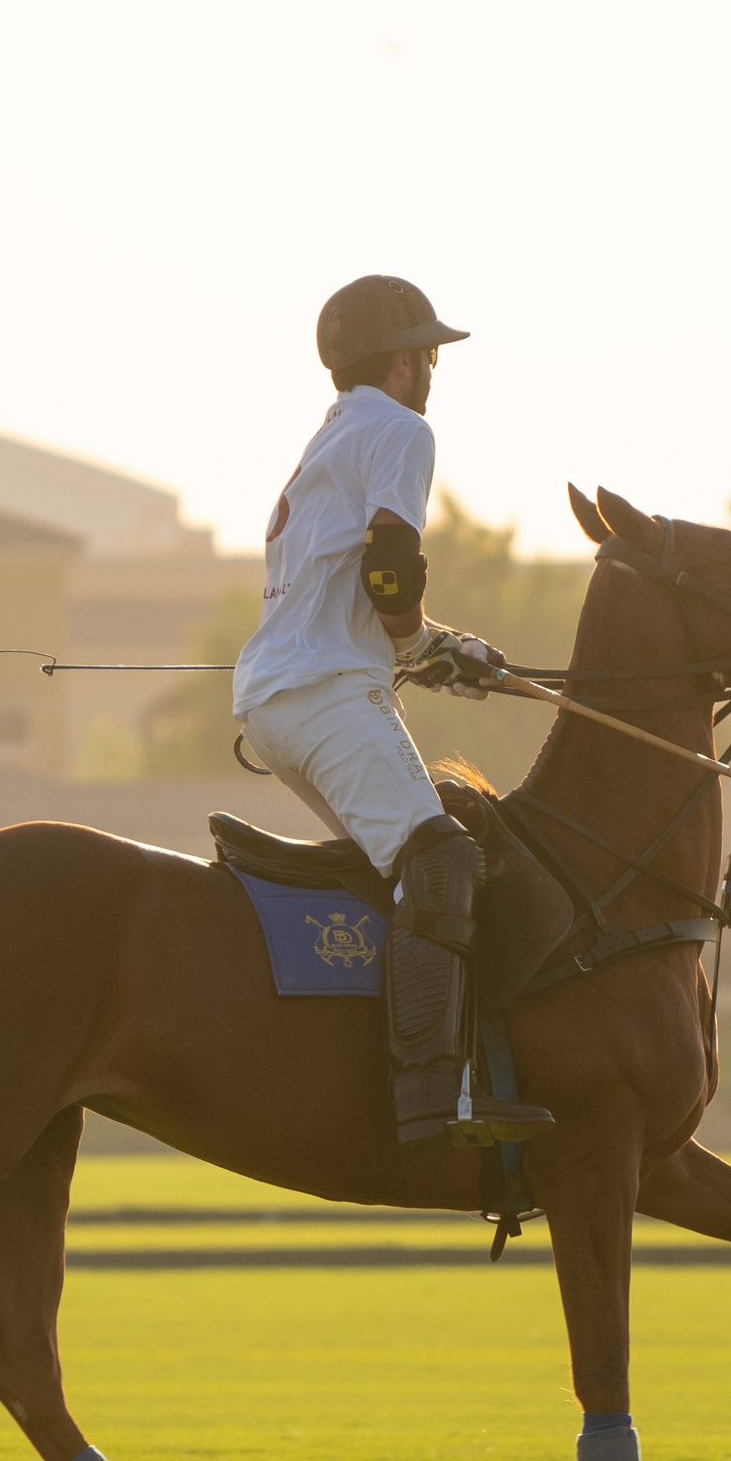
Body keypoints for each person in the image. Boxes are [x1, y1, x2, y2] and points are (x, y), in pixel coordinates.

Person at [232, 275, 554, 1152]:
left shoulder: (330, 437)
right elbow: (389, 568)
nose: (433, 372)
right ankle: (433, 1095)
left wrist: (439, 643)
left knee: (400, 872)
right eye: (430, 356)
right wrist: (415, 641)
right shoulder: (404, 430)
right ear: (406, 361)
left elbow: (357, 588)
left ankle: (367, 1050)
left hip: (276, 699)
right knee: (439, 858)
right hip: (327, 694)